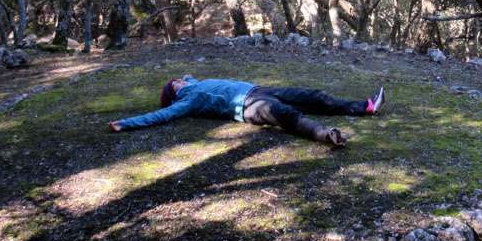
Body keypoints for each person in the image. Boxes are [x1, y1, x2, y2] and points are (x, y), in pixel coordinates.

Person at [107, 74, 385, 146]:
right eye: (175, 84)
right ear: (174, 94)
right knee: (288, 116)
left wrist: (185, 79)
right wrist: (127, 123)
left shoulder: (194, 83)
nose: (180, 81)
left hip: (259, 89)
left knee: (312, 97)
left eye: (178, 80)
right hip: (248, 106)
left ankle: (366, 107)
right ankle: (325, 136)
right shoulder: (185, 102)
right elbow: (160, 115)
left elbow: (189, 75)